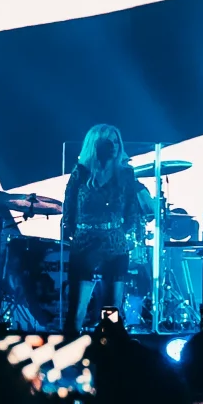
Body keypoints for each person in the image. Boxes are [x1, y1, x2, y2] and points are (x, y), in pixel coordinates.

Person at [63, 123, 153, 332]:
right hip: (85, 242)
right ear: (95, 145)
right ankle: (72, 345)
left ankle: (109, 347)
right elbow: (69, 209)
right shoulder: (80, 173)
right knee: (77, 311)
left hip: (114, 243)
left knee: (112, 311)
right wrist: (74, 233)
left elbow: (132, 209)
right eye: (108, 142)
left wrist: (121, 232)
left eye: (116, 141)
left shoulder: (125, 173)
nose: (113, 146)